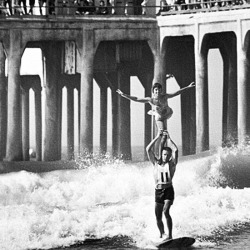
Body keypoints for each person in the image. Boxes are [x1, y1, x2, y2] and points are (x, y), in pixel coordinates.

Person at [116, 76, 195, 155]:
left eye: (159, 90)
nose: (158, 92)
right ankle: (161, 154)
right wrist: (124, 95)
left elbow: (177, 92)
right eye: (156, 90)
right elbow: (136, 99)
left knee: (160, 115)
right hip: (159, 117)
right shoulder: (150, 100)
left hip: (168, 113)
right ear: (153, 91)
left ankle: (154, 112)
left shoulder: (165, 96)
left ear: (161, 91)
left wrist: (188, 87)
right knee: (162, 134)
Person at [146, 131, 178, 240]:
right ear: (161, 155)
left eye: (168, 155)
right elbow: (148, 149)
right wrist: (157, 137)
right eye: (164, 154)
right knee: (158, 217)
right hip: (158, 192)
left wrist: (169, 139)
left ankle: (170, 235)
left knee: (166, 211)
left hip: (169, 190)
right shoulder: (155, 164)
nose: (166, 156)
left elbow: (176, 150)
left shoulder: (172, 165)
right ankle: (162, 234)